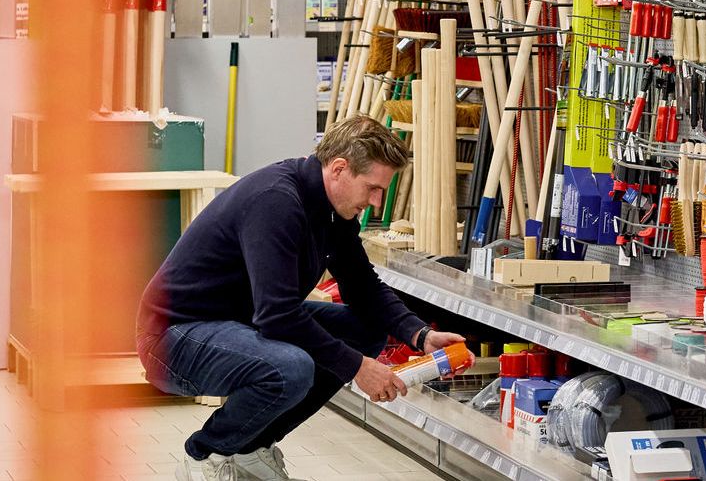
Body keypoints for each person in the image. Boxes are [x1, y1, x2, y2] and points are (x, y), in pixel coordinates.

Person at [137, 115, 466, 481]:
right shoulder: (276, 202)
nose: (376, 202)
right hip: (175, 337)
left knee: (365, 331)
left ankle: (250, 448)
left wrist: (420, 334)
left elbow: (362, 285)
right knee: (290, 368)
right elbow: (277, 316)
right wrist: (358, 367)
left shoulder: (332, 212)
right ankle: (206, 455)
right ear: (339, 169)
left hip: (238, 321)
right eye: (372, 188)